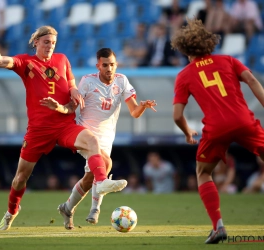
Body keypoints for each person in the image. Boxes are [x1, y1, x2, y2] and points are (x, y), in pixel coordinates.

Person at [0, 23, 128, 231]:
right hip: (38, 130)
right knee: (19, 179)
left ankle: (102, 180)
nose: (50, 46)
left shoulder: (62, 60)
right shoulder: (26, 62)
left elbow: (71, 89)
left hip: (64, 125)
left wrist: (72, 94)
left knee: (91, 141)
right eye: (46, 42)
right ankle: (11, 211)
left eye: (53, 43)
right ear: (36, 43)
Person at [40, 48, 157, 229]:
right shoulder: (87, 81)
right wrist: (60, 108)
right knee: (106, 164)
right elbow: (72, 107)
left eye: (112, 65)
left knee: (89, 179)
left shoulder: (122, 81)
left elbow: (134, 112)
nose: (109, 68)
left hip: (106, 137)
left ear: (116, 65)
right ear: (98, 66)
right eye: (105, 65)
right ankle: (95, 209)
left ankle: (67, 208)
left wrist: (142, 106)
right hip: (84, 132)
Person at [171, 18, 264, 244]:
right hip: (244, 121)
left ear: (185, 50)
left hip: (216, 128)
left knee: (203, 173)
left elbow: (176, 115)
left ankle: (218, 227)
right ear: (208, 44)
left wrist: (187, 132)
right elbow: (251, 80)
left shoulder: (184, 75)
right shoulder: (229, 60)